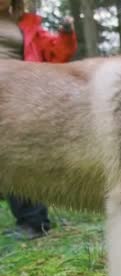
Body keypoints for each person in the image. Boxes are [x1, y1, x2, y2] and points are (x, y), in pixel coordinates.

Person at [0, 0, 77, 239]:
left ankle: (33, 223)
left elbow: (56, 53)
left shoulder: (27, 24)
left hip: (17, 95)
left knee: (19, 155)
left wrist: (66, 34)